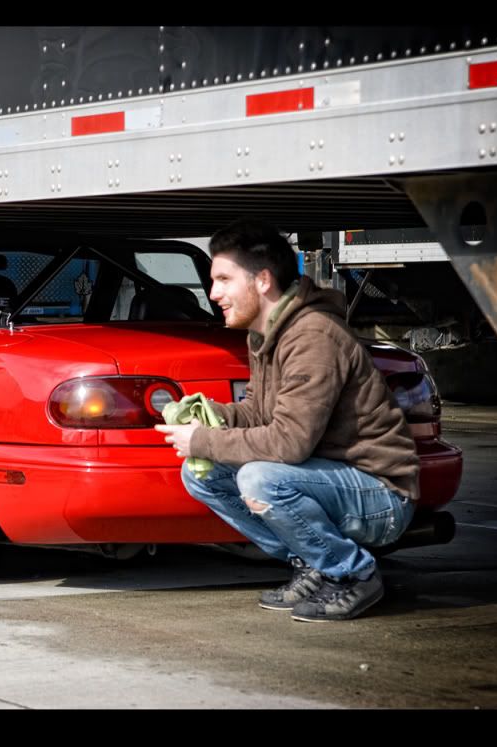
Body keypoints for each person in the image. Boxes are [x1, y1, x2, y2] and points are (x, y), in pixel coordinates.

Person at [155, 218, 419, 622]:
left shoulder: (313, 336)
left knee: (260, 479)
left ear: (262, 280)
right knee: (201, 474)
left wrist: (205, 441)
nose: (213, 293)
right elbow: (259, 413)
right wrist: (208, 416)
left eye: (224, 279)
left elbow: (289, 443)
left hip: (380, 495)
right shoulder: (266, 333)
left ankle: (353, 573)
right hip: (327, 478)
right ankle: (314, 565)